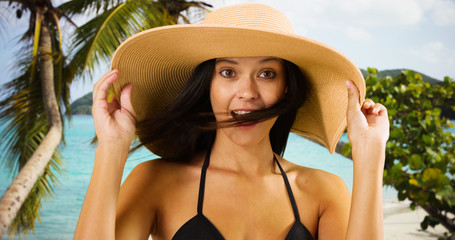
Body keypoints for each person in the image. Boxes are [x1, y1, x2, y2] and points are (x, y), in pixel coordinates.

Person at [74, 3, 389, 240]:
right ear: (207, 85)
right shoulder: (157, 181)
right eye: (228, 72)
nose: (247, 93)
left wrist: (370, 156)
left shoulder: (322, 191)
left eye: (266, 74)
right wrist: (112, 149)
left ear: (286, 87)